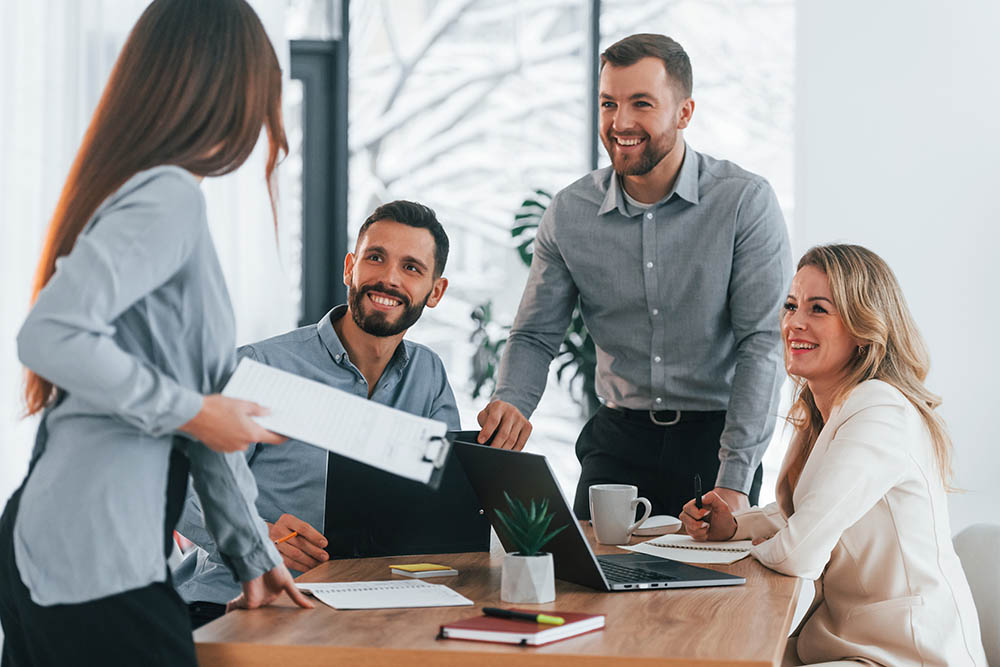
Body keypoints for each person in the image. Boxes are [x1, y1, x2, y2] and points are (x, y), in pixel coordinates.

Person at [0, 1, 314, 665]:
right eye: (259, 96)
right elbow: (50, 333)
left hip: (72, 541)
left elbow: (204, 430)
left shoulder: (151, 194)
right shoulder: (169, 196)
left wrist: (252, 554)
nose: (262, 123)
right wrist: (201, 410)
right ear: (222, 89)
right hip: (91, 553)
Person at [477, 33, 791, 519]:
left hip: (714, 443)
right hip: (617, 440)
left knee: (706, 594)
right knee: (588, 586)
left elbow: (762, 344)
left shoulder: (743, 203)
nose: (620, 123)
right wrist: (512, 401)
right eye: (609, 104)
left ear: (684, 113)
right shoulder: (570, 214)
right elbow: (537, 335)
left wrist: (734, 478)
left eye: (641, 104)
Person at [681, 245, 987, 666]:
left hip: (904, 652)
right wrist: (734, 525)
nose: (795, 323)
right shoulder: (827, 407)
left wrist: (752, 546)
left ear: (864, 328)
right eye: (791, 306)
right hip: (844, 644)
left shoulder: (880, 410)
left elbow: (797, 550)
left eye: (818, 309)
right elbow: (806, 513)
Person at [174, 200, 461, 628]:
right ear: (350, 268)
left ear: (434, 292)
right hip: (240, 603)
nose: (388, 278)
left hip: (373, 607)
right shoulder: (259, 367)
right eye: (375, 258)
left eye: (412, 268)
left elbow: (448, 502)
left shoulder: (428, 374)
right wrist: (257, 533)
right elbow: (177, 486)